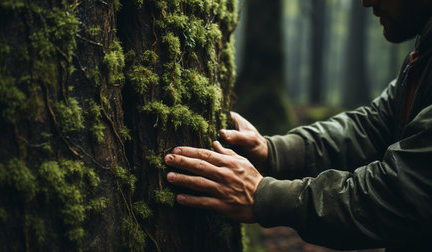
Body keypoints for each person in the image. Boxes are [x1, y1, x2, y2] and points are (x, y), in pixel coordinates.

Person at [164, 0, 432, 251]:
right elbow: (373, 126)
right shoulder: (424, 55)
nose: (365, 1)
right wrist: (274, 151)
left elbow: (401, 196)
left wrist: (265, 196)